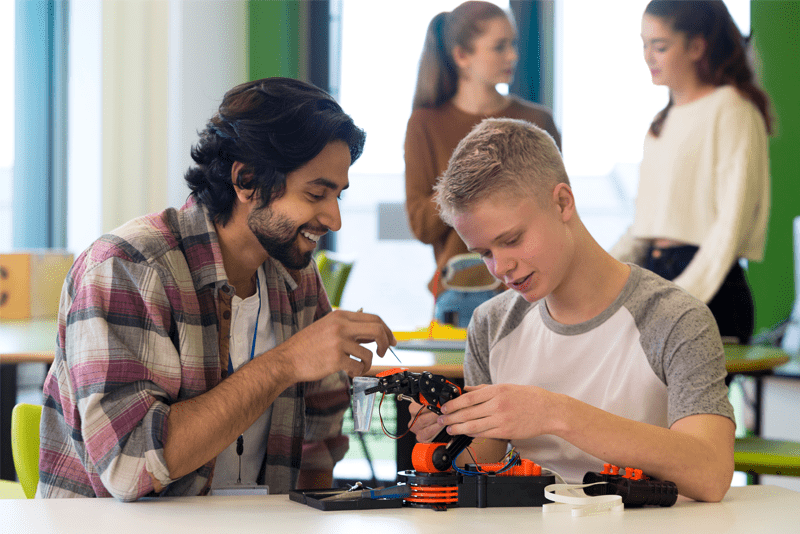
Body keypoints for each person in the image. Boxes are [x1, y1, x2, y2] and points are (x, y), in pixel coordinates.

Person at [37, 77, 397, 500]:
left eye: (338, 195)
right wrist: (284, 364)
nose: (334, 220)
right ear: (246, 181)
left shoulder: (296, 280)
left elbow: (320, 435)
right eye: (316, 194)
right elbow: (129, 464)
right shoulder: (128, 268)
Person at [410, 118, 735, 503]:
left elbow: (710, 472)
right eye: (484, 253)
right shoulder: (491, 324)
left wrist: (554, 413)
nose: (500, 268)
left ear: (563, 202)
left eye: (512, 240)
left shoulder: (675, 319)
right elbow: (485, 459)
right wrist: (451, 433)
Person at [611, 0, 771, 344]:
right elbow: (644, 228)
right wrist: (597, 274)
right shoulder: (660, 124)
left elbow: (729, 228)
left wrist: (677, 298)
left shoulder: (732, 110)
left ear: (697, 47)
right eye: (644, 44)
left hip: (708, 290)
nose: (648, 56)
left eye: (660, 46)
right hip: (657, 281)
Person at [404, 0, 561, 328]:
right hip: (461, 294)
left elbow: (557, 210)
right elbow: (421, 225)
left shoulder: (537, 120)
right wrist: (472, 179)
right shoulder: (425, 123)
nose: (513, 56)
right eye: (499, 47)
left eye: (513, 44)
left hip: (534, 287)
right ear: (462, 56)